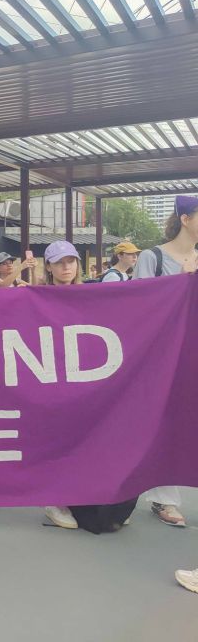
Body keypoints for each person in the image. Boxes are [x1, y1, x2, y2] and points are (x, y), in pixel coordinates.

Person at [38, 241, 136, 533]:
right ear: (49, 266)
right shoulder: (36, 295)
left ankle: (94, 497)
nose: (66, 267)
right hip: (50, 377)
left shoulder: (96, 293)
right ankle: (56, 500)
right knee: (57, 439)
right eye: (59, 262)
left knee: (86, 439)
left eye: (71, 261)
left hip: (88, 380)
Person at [134, 194, 198, 528]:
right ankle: (162, 497)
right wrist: (183, 281)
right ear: (186, 219)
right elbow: (140, 305)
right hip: (161, 355)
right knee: (162, 421)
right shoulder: (152, 257)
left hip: (192, 352)